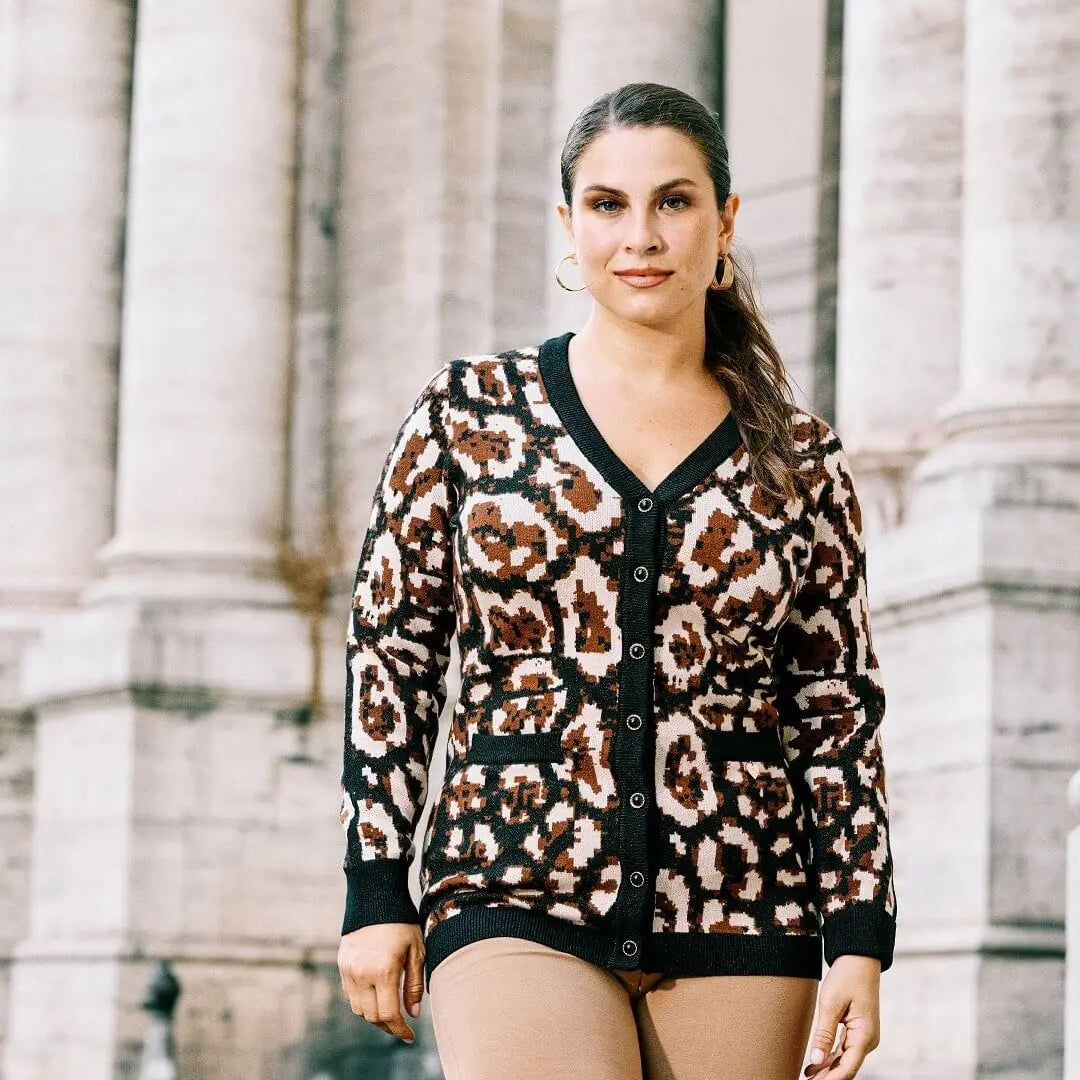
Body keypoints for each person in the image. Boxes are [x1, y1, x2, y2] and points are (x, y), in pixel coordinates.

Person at [337, 82, 897, 1080]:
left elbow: (832, 706)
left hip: (745, 906)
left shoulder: (799, 457)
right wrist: (376, 887)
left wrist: (859, 929)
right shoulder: (470, 415)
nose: (641, 235)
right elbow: (394, 656)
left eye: (674, 201)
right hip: (512, 881)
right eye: (608, 205)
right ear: (569, 224)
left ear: (724, 222)